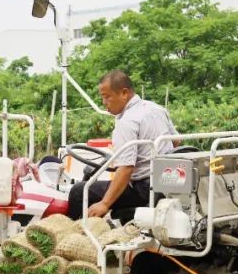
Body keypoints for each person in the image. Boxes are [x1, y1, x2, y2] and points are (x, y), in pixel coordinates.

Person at [67, 70, 178, 220]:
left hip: (143, 190)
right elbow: (176, 141)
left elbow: (126, 169)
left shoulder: (127, 122)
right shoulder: (157, 109)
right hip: (166, 181)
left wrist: (104, 204)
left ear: (124, 93)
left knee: (79, 191)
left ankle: (78, 236)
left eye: (107, 97)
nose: (104, 102)